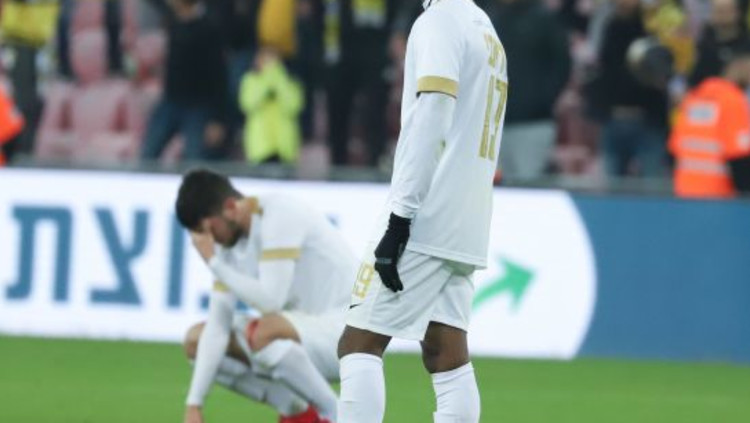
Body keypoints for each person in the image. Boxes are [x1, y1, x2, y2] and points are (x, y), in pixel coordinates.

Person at [336, 0, 507, 421]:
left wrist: (401, 217)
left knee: (358, 343)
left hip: (426, 214)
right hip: (468, 216)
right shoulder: (484, 27)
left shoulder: (439, 20)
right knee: (446, 352)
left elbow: (433, 111)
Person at [175, 169, 357, 423]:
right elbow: (217, 329)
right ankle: (297, 411)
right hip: (303, 332)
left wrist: (213, 263)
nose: (209, 241)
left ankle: (337, 415)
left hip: (348, 332)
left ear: (230, 208)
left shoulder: (280, 214)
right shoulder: (228, 245)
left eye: (209, 230)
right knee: (197, 340)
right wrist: (194, 405)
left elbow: (271, 302)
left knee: (264, 332)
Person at [486, 0, 571, 181]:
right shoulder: (489, 18)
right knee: (493, 188)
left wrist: (542, 101)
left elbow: (562, 64)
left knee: (528, 185)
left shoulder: (544, 18)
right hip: (493, 124)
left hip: (533, 123)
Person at [140, 0, 228, 161]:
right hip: (170, 101)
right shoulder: (174, 20)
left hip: (198, 106)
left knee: (194, 159)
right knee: (147, 155)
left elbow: (219, 76)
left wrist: (218, 119)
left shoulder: (209, 27)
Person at [597, 0, 670, 178]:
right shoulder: (608, 27)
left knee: (653, 186)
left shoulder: (654, 27)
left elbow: (664, 70)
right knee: (610, 187)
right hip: (614, 118)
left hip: (649, 120)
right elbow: (605, 72)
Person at [669, 44, 750, 198]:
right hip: (720, 195)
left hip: (685, 192)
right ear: (739, 65)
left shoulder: (695, 97)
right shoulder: (733, 99)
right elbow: (738, 156)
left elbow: (675, 148)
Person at [239, 47, 304, 164]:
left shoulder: (290, 82)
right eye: (266, 60)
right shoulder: (250, 80)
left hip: (285, 148)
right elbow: (248, 104)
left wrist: (279, 78)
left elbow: (294, 106)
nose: (270, 65)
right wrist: (268, 78)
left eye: (273, 61)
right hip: (260, 147)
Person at [689, 0, 750, 87]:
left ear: (737, 12)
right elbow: (695, 79)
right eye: (718, 11)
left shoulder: (746, 43)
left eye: (726, 10)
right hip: (710, 91)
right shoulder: (705, 44)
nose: (722, 16)